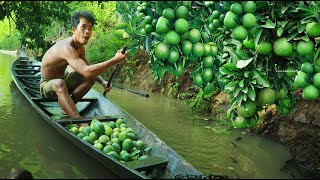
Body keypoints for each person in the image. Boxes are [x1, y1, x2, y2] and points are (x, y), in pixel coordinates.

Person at [40, 10, 128, 121]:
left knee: (91, 77)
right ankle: (79, 121)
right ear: (73, 29)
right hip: (47, 85)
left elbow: (88, 68)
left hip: (64, 78)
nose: (87, 32)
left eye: (90, 28)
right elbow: (87, 70)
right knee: (60, 83)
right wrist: (114, 60)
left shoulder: (80, 47)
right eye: (83, 27)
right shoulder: (66, 48)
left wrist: (103, 82)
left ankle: (68, 106)